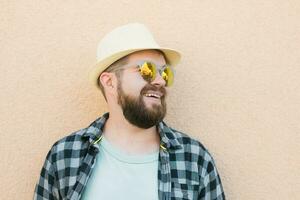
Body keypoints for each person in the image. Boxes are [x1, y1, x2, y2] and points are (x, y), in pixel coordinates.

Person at [34, 23, 226, 200]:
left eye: (165, 73)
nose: (160, 81)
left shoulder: (194, 158)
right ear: (109, 82)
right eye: (146, 70)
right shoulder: (65, 155)